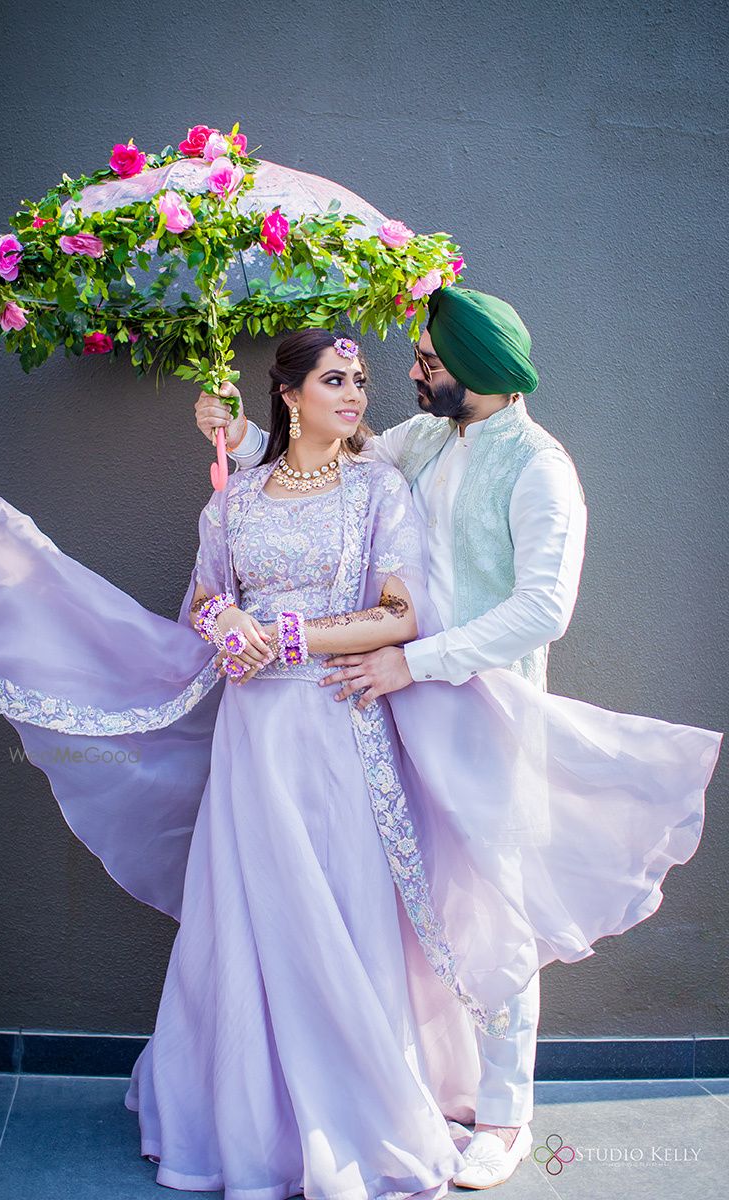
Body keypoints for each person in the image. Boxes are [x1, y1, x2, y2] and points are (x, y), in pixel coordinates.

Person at [0, 330, 721, 1198]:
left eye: (366, 380)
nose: (360, 394)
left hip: (346, 719)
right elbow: (203, 597)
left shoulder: (387, 485)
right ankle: (240, 1114)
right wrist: (225, 619)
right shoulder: (238, 498)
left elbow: (402, 612)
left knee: (356, 908)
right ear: (293, 394)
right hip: (252, 736)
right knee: (251, 909)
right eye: (336, 380)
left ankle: (410, 1108)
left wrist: (292, 636)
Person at [195, 288, 587, 1186]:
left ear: (477, 372)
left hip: (479, 705)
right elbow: (320, 465)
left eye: (427, 364)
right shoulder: (421, 439)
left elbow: (544, 608)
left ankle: (506, 1114)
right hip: (384, 702)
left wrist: (420, 659)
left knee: (497, 901)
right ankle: (408, 1077)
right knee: (420, 901)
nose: (410, 376)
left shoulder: (539, 468)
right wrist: (232, 432)